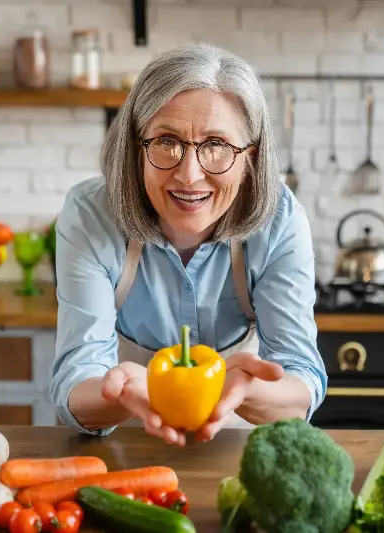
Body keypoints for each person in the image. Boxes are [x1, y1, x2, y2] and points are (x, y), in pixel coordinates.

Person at [49, 42, 327, 447]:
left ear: (250, 155)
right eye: (165, 141)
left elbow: (301, 377)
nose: (190, 175)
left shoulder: (280, 219)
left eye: (216, 145)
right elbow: (75, 380)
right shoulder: (92, 214)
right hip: (122, 450)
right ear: (134, 146)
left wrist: (247, 392)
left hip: (236, 448)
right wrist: (124, 392)